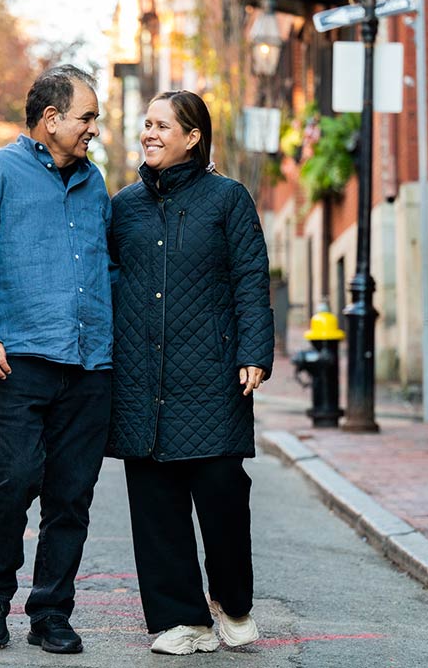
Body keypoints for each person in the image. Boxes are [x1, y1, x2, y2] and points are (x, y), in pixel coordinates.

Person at [0, 65, 112, 655]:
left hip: (90, 365)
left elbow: (107, 269)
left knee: (71, 495)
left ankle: (51, 612)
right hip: (15, 361)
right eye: (87, 116)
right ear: (51, 119)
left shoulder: (96, 185)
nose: (95, 127)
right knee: (14, 481)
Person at [107, 90, 274, 655]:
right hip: (139, 377)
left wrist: (253, 350)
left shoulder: (229, 199)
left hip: (212, 374)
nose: (148, 133)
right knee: (156, 505)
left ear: (192, 136)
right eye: (145, 124)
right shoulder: (123, 205)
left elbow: (252, 277)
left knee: (224, 495)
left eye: (160, 125)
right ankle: (180, 619)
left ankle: (232, 601)